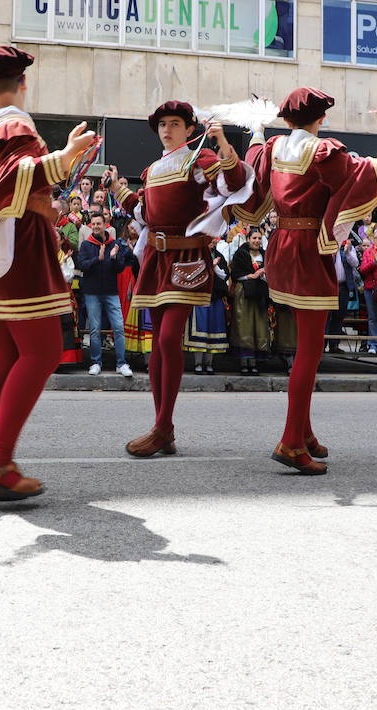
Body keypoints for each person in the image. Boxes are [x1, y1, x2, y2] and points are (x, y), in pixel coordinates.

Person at [233, 88, 377, 474]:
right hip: (312, 249)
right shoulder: (322, 150)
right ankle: (291, 443)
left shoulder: (274, 146)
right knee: (309, 353)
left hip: (281, 246)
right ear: (319, 118)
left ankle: (305, 431)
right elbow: (365, 176)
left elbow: (255, 165)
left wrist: (258, 132)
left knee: (303, 346)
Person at [0, 44, 96, 499]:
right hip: (17, 252)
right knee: (42, 351)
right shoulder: (15, 124)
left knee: (5, 356)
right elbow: (17, 175)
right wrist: (65, 156)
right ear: (23, 82)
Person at [108, 100, 251, 453]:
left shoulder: (199, 160)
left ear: (190, 129)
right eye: (162, 125)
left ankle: (162, 427)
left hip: (188, 256)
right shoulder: (153, 169)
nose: (167, 129)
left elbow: (232, 183)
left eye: (175, 123)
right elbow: (142, 211)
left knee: (170, 337)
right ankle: (163, 428)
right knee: (159, 341)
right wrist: (116, 189)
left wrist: (222, 145)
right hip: (157, 258)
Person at [76, 210, 133, 377]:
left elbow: (120, 268)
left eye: (98, 224)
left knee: (118, 327)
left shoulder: (114, 243)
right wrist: (98, 259)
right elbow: (83, 265)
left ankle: (121, 363)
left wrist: (114, 257)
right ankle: (95, 362)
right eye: (93, 224)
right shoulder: (86, 245)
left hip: (111, 292)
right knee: (94, 328)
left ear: (105, 225)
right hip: (92, 292)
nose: (95, 227)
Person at [229, 228, 270, 375]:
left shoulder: (265, 255)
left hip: (259, 295)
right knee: (244, 326)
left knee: (257, 326)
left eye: (259, 238)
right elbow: (235, 274)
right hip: (243, 294)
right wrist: (251, 276)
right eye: (254, 238)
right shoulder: (241, 254)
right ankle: (244, 363)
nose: (257, 241)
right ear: (248, 239)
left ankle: (254, 363)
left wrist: (264, 275)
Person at [187, 240, 231, 373]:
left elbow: (225, 275)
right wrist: (209, 265)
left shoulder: (219, 256)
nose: (212, 243)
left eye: (213, 241)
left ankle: (209, 363)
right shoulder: (195, 255)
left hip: (215, 297)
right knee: (201, 330)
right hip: (200, 297)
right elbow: (191, 274)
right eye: (209, 241)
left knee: (213, 330)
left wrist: (215, 267)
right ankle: (198, 363)